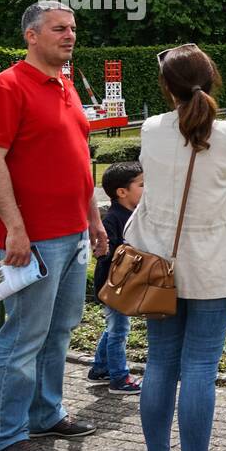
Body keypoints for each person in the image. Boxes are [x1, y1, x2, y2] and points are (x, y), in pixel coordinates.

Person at [125, 44, 226, 451]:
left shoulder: (151, 129)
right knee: (200, 367)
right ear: (213, 80)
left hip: (159, 263)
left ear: (166, 87)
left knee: (160, 363)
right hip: (211, 265)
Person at [0, 1, 108, 451]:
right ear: (32, 35)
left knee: (59, 331)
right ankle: (4, 436)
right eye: (59, 29)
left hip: (72, 234)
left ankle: (45, 413)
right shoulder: (6, 88)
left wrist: (93, 220)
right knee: (23, 336)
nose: (70, 36)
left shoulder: (67, 86)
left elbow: (79, 161)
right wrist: (14, 228)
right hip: (31, 241)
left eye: (72, 28)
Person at [88, 162, 145, 394]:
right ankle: (119, 378)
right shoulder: (113, 219)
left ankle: (100, 368)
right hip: (113, 287)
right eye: (142, 185)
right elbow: (108, 254)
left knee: (114, 327)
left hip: (124, 286)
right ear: (122, 192)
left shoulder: (133, 215)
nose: (147, 189)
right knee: (120, 330)